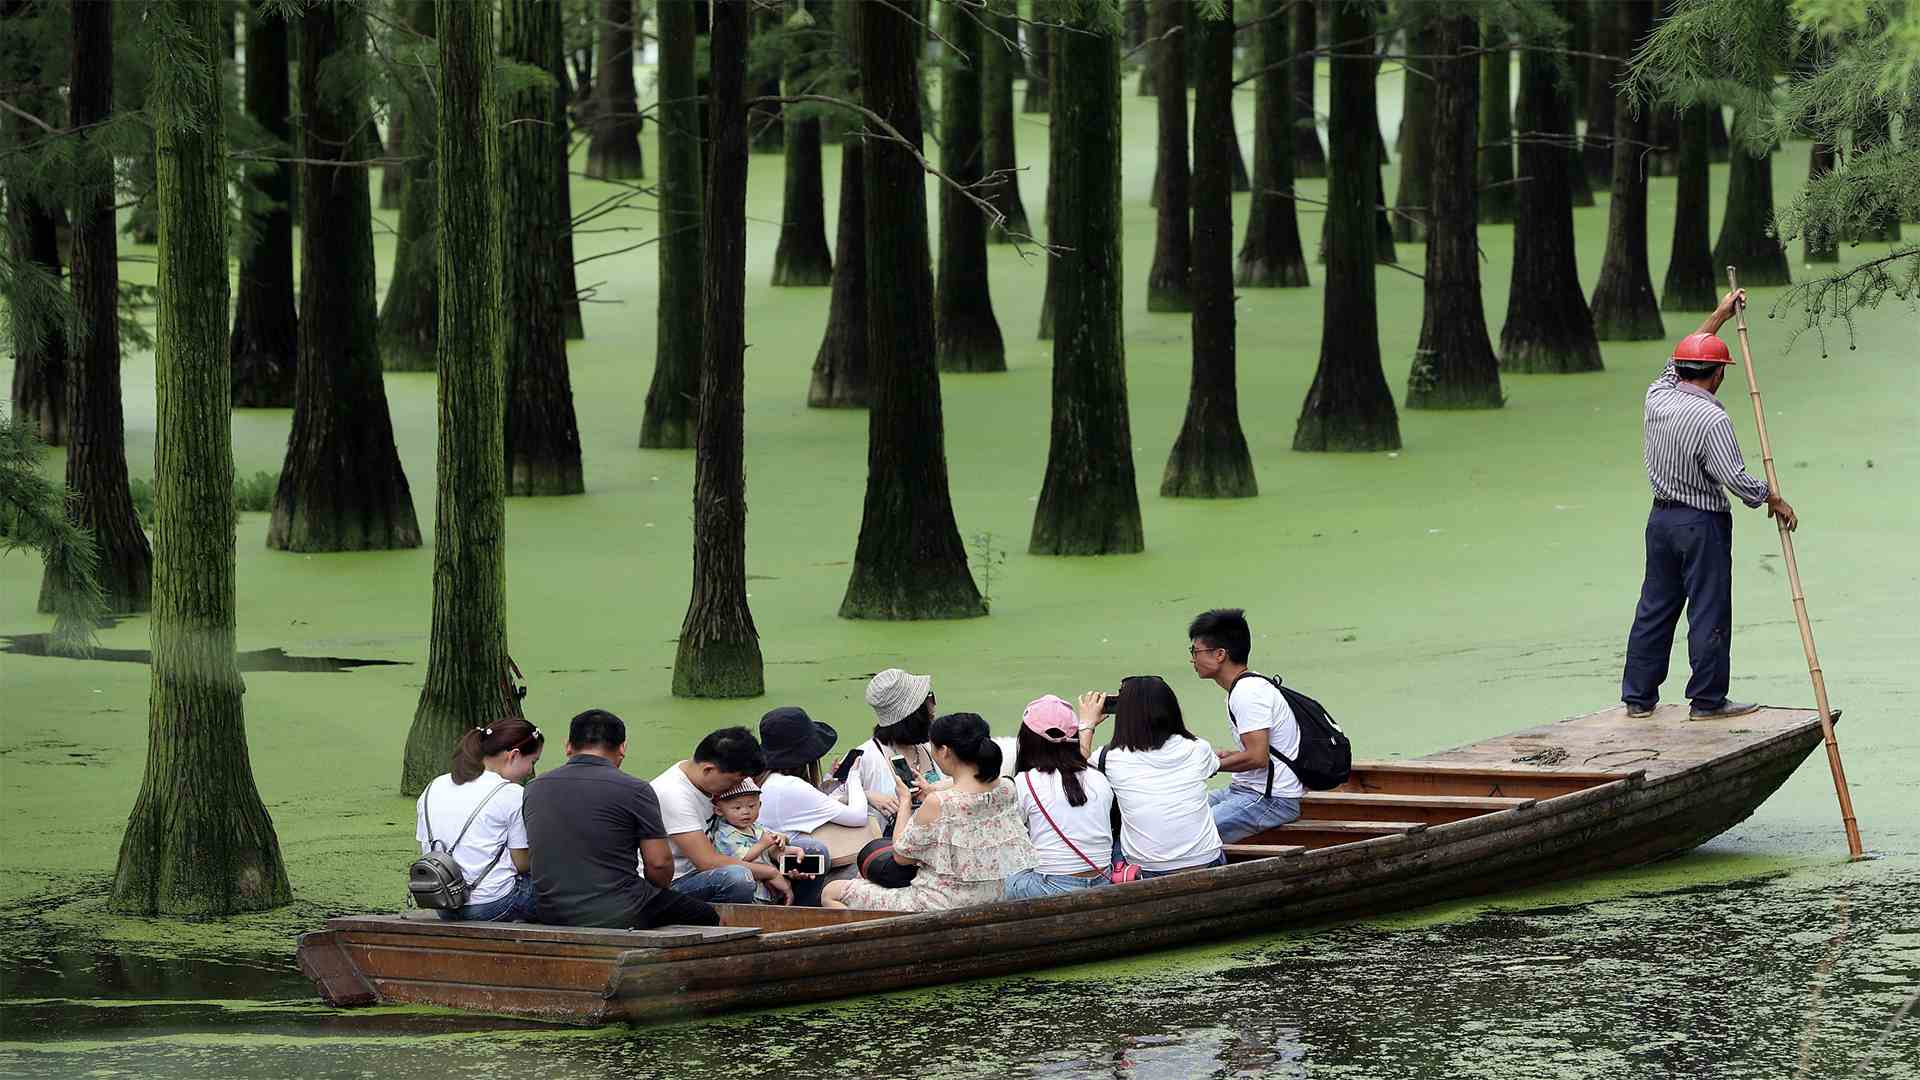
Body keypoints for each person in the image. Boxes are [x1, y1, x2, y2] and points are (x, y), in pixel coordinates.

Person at [1623, 289, 1798, 721]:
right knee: (1709, 608)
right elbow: (1734, 478)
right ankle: (1707, 701)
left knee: (1655, 607)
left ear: (1681, 369)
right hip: (1701, 525)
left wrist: (1720, 314)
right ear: (1718, 375)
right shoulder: (1712, 418)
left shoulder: (1656, 396)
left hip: (1660, 522)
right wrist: (1771, 498)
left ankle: (1638, 699)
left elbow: (1680, 355)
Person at [522, 709, 719, 928]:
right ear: (622, 748)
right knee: (705, 915)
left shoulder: (533, 788)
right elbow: (659, 863)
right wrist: (658, 891)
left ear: (568, 746)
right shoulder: (636, 789)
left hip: (551, 911)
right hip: (620, 908)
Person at [822, 712, 1035, 912]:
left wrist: (905, 801)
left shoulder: (938, 803)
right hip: (992, 895)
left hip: (940, 903)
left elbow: (901, 856)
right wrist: (934, 787)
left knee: (832, 892)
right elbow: (971, 785)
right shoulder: (1007, 787)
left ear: (944, 751)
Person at [1080, 676, 1224, 877]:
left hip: (1147, 869)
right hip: (1207, 860)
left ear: (1124, 715)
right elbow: (1209, 764)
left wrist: (1087, 724)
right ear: (1171, 708)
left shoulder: (1110, 758)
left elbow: (1076, 773)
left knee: (1110, 838)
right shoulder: (1198, 748)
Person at [1187, 608, 1305, 841]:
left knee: (1189, 834)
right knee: (1175, 818)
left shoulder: (1248, 693)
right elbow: (1263, 752)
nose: (1192, 658)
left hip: (1272, 800)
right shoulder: (1246, 686)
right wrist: (1229, 756)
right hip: (1243, 789)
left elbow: (1257, 757)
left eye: (1195, 650)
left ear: (1219, 654)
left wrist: (1208, 765)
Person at [414, 718, 545, 922]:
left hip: (443, 903)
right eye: (533, 762)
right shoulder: (510, 793)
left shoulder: (434, 786)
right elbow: (521, 864)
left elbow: (426, 849)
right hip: (493, 905)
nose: (531, 770)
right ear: (514, 755)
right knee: (556, 887)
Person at [651, 727, 800, 906]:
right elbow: (707, 862)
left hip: (727, 855)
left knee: (811, 851)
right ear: (708, 770)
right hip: (677, 882)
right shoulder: (673, 794)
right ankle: (730, 927)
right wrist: (770, 872)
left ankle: (795, 911)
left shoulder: (713, 777)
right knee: (738, 878)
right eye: (735, 781)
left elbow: (747, 831)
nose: (737, 787)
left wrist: (777, 851)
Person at [1004, 695, 1115, 900]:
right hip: (1103, 879)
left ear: (1028, 740)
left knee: (1006, 876)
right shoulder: (1099, 777)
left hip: (1052, 887)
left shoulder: (1024, 783)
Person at [755, 707, 859, 905]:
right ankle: (808, 905)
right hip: (783, 865)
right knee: (854, 863)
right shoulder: (789, 785)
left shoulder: (770, 780)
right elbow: (857, 816)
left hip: (775, 858)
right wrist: (855, 777)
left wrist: (829, 781)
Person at [705, 779, 787, 903]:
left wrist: (780, 838)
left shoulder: (755, 827)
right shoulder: (725, 835)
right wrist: (762, 844)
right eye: (737, 808)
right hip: (751, 893)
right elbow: (738, 860)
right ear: (719, 811)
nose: (745, 812)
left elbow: (770, 845)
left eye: (751, 806)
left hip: (768, 889)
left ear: (760, 805)